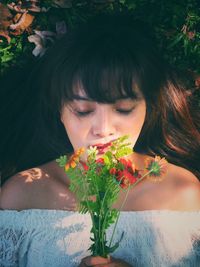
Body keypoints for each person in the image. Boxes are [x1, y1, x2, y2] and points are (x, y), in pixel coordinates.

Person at [0, 12, 200, 267]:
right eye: (84, 111)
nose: (104, 129)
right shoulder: (22, 196)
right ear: (58, 111)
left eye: (124, 109)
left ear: (148, 108)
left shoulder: (182, 193)